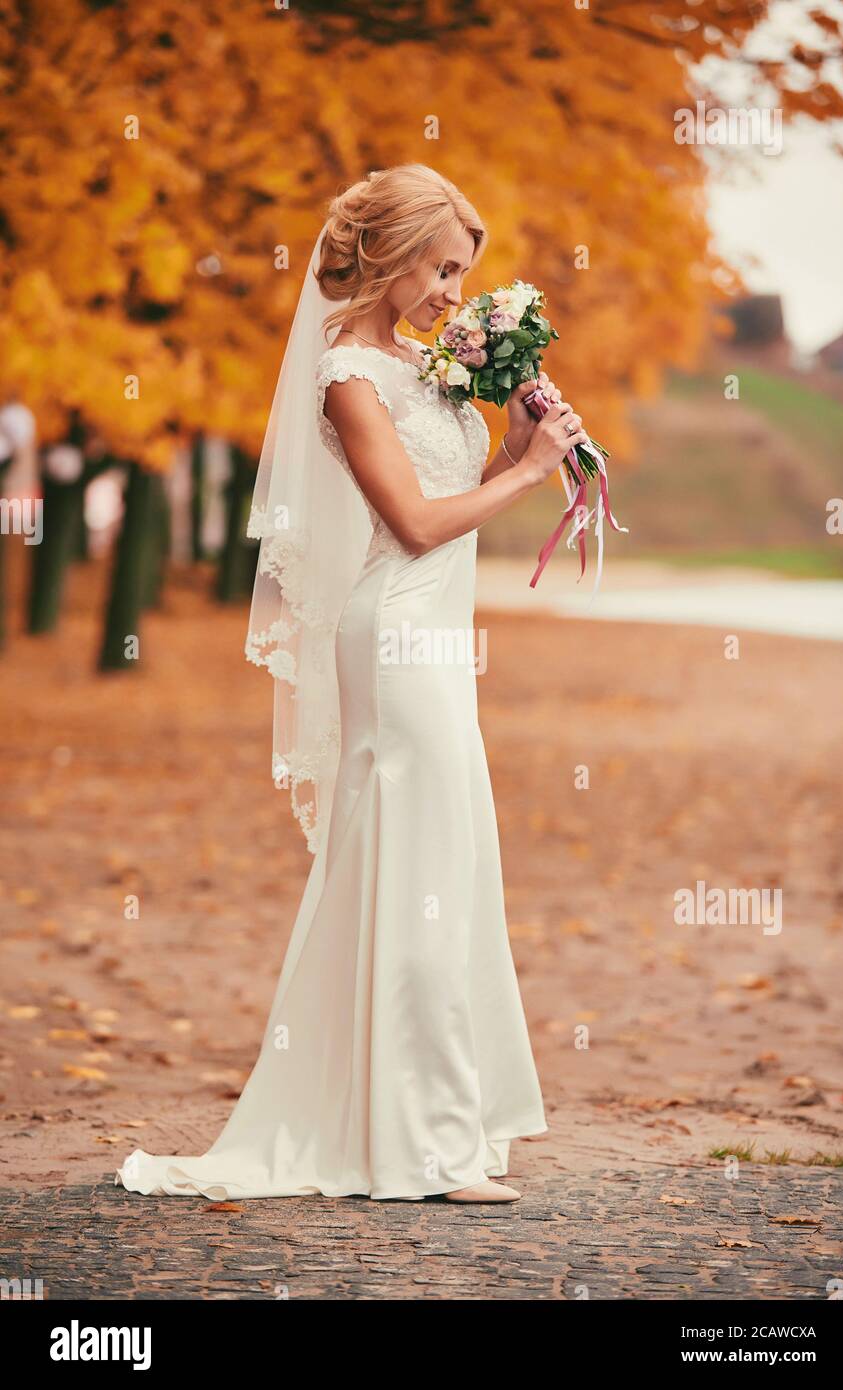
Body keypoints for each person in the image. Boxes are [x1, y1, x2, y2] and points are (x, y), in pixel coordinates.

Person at [116, 164, 587, 1204]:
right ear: (394, 253)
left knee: (435, 865)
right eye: (442, 269)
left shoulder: (422, 366)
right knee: (420, 859)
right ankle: (423, 1144)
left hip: (438, 642)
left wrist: (511, 444)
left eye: (463, 274)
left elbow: (445, 496)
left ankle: (420, 1121)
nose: (453, 294)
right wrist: (523, 474)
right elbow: (412, 527)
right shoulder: (344, 374)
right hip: (396, 639)